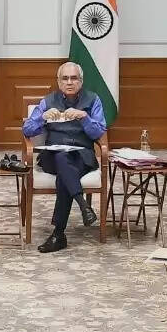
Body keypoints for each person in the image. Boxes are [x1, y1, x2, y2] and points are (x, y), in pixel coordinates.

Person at [21, 62, 108, 253]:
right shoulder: (47, 102)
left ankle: (59, 234)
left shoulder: (93, 100)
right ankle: (82, 204)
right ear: (59, 82)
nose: (69, 82)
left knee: (64, 174)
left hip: (81, 156)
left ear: (81, 81)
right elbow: (27, 130)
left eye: (74, 78)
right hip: (51, 156)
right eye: (65, 78)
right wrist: (42, 117)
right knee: (61, 158)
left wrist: (84, 117)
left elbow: (99, 133)